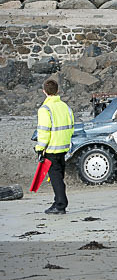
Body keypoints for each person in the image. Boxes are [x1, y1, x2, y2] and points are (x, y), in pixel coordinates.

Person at [34, 79, 74, 215]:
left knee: (56, 178)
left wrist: (40, 148)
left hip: (51, 148)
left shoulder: (44, 109)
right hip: (63, 147)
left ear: (44, 91)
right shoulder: (65, 107)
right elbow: (71, 127)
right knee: (59, 176)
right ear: (57, 91)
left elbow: (44, 131)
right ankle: (58, 201)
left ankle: (60, 204)